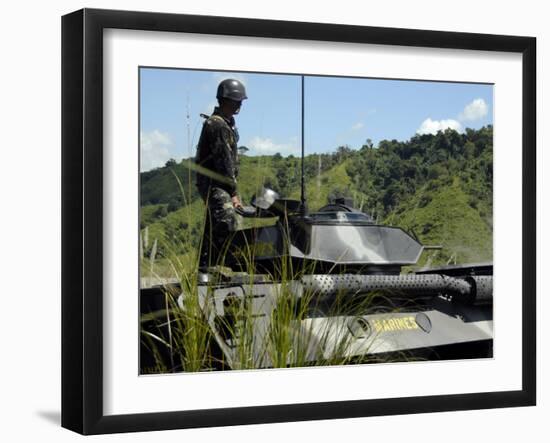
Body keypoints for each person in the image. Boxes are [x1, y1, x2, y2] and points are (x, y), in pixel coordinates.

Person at [195, 78, 247, 270]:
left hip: (217, 182)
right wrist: (233, 192)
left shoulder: (226, 124)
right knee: (226, 219)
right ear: (227, 101)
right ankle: (221, 266)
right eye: (237, 101)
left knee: (214, 223)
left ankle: (206, 267)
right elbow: (224, 161)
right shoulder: (217, 125)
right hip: (214, 182)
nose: (240, 105)